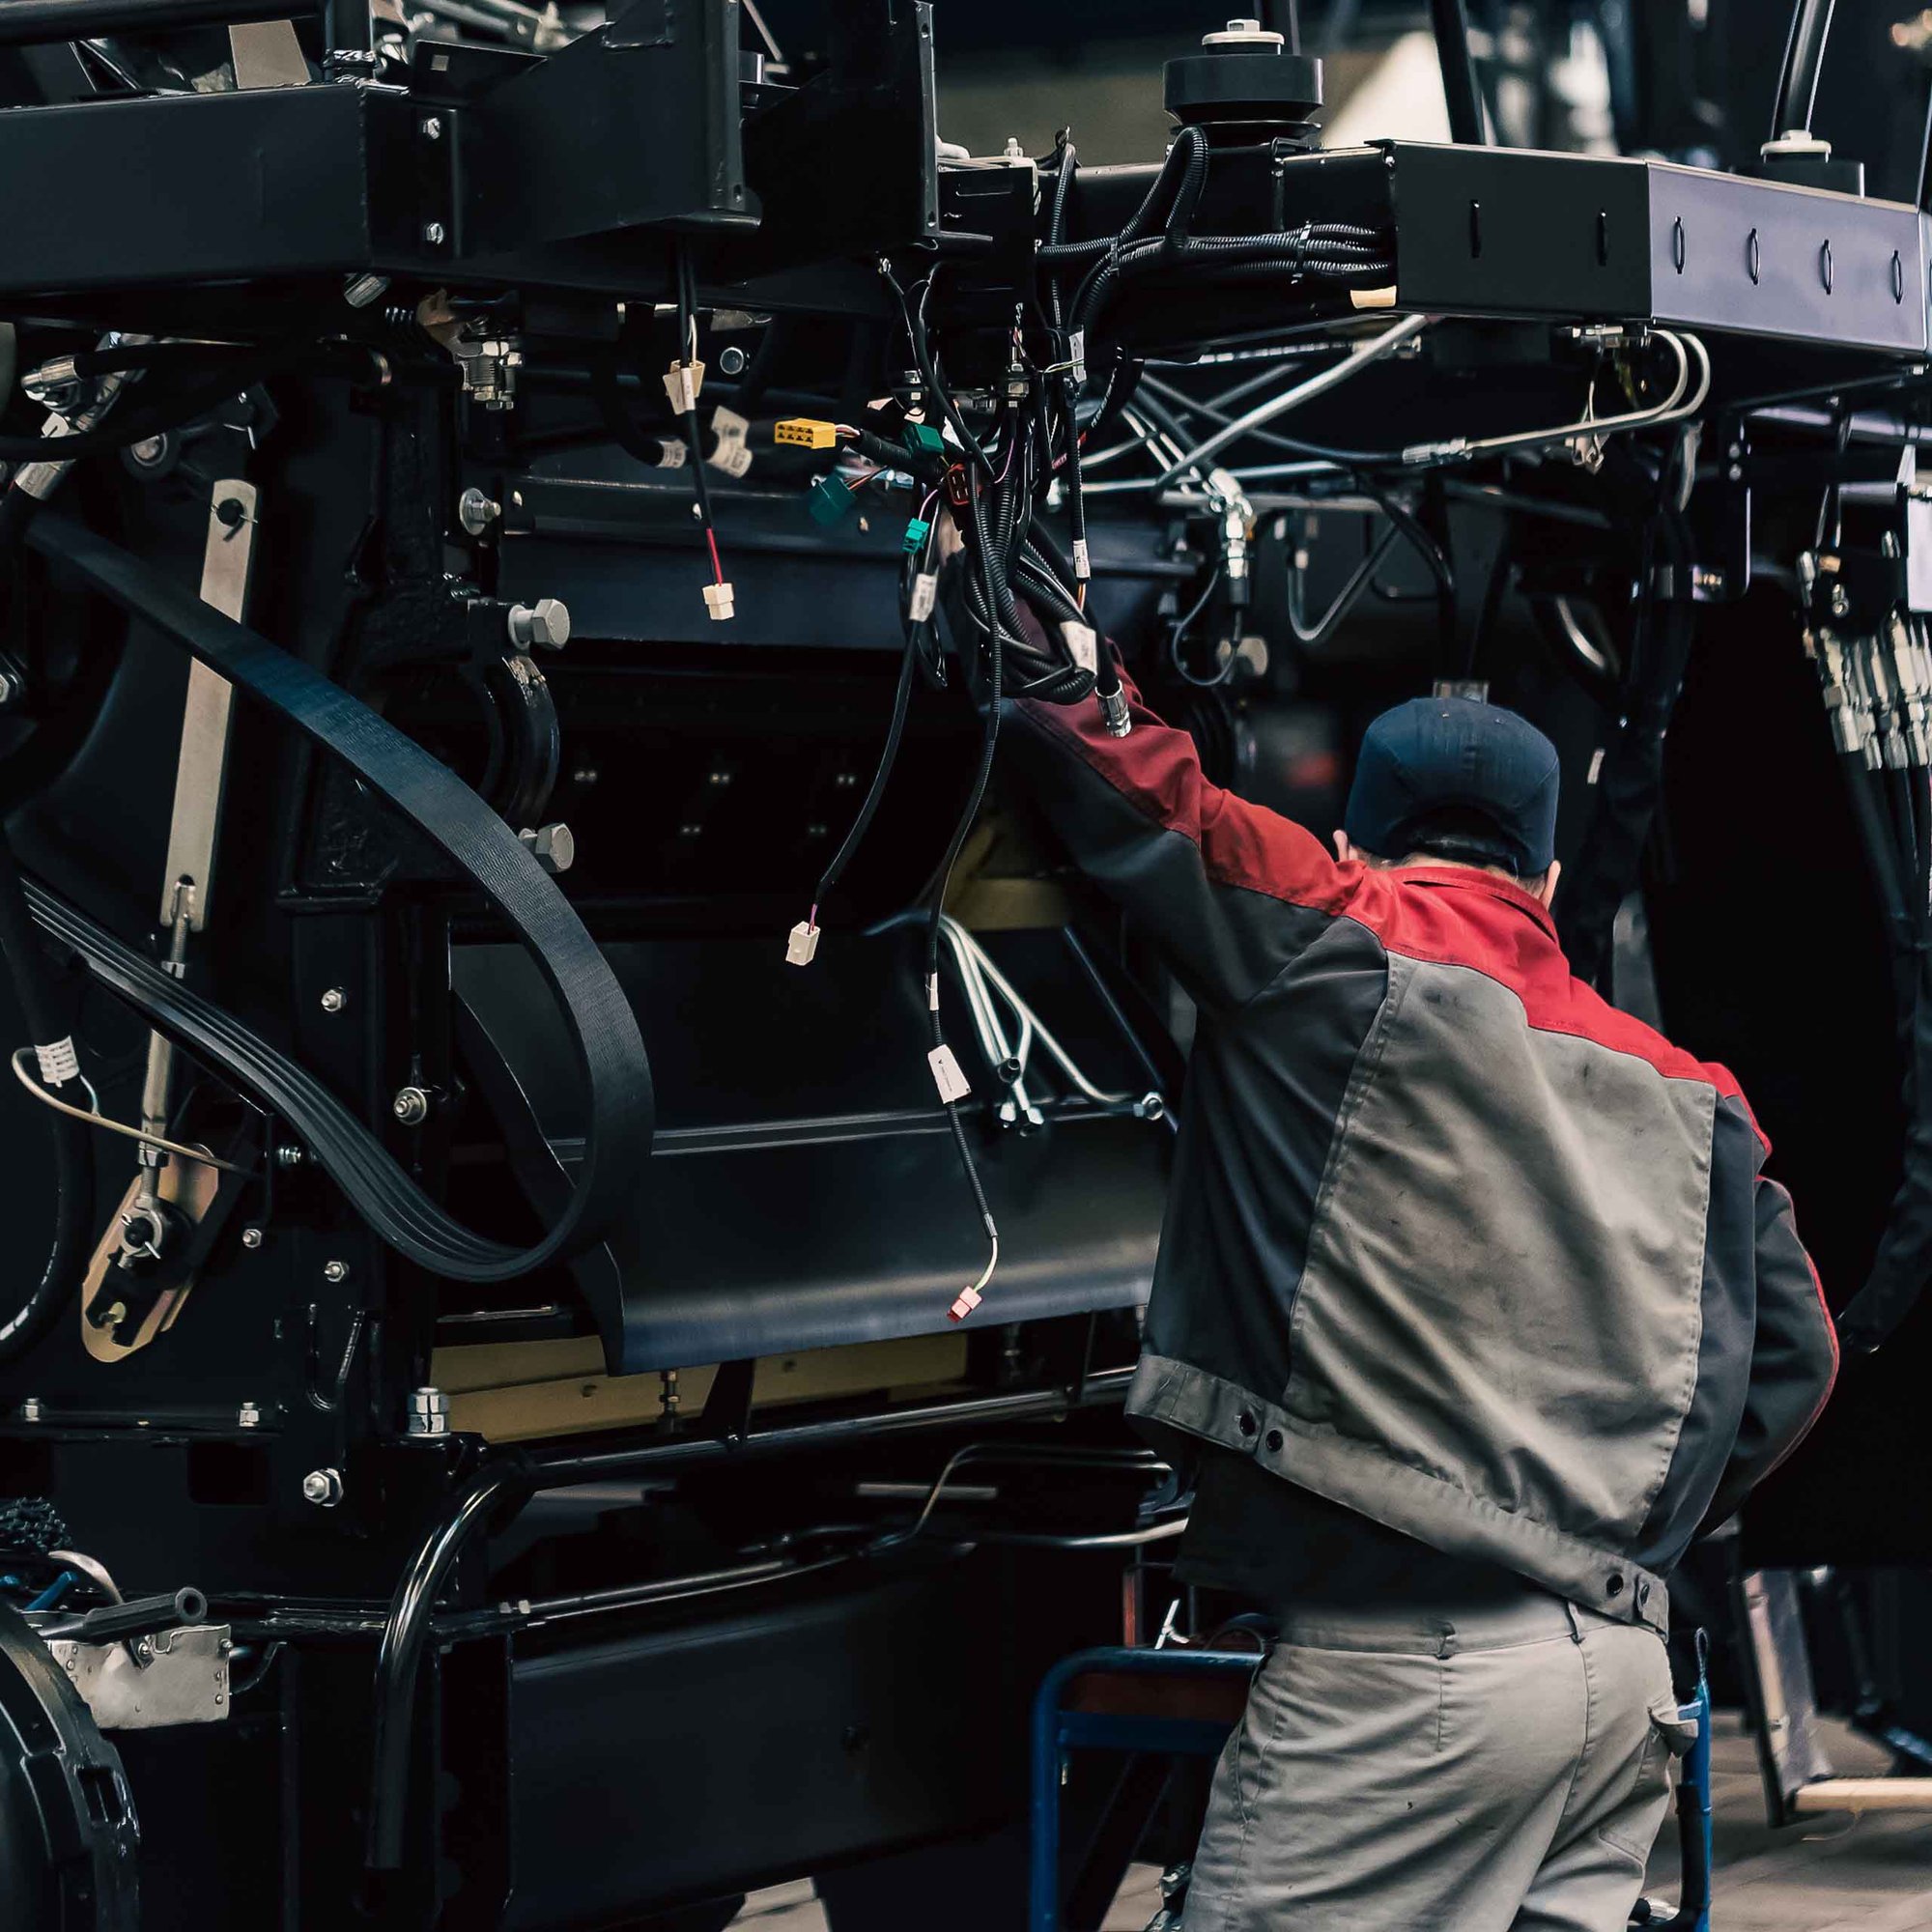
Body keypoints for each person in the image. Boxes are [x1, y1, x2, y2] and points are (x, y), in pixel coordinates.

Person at [1000, 642, 1839, 1932]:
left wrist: (1033, 642)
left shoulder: (1331, 941)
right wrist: (1604, 1516)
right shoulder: (1698, 1096)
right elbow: (1800, 1359)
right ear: (1552, 878)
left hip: (1401, 1685)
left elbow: (1159, 805)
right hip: (1619, 1683)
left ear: (1363, 838)